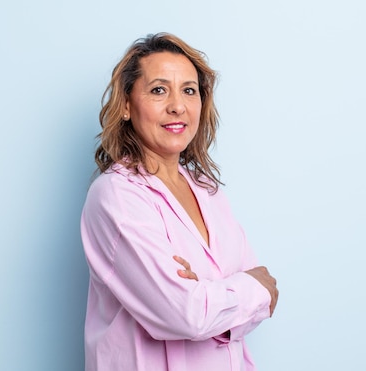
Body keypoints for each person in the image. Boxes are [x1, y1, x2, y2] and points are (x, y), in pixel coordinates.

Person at [80, 32, 279, 371]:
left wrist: (211, 295)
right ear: (126, 105)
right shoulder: (117, 196)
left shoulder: (207, 190)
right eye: (159, 90)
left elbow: (256, 301)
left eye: (189, 90)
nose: (178, 105)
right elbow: (187, 314)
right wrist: (246, 291)